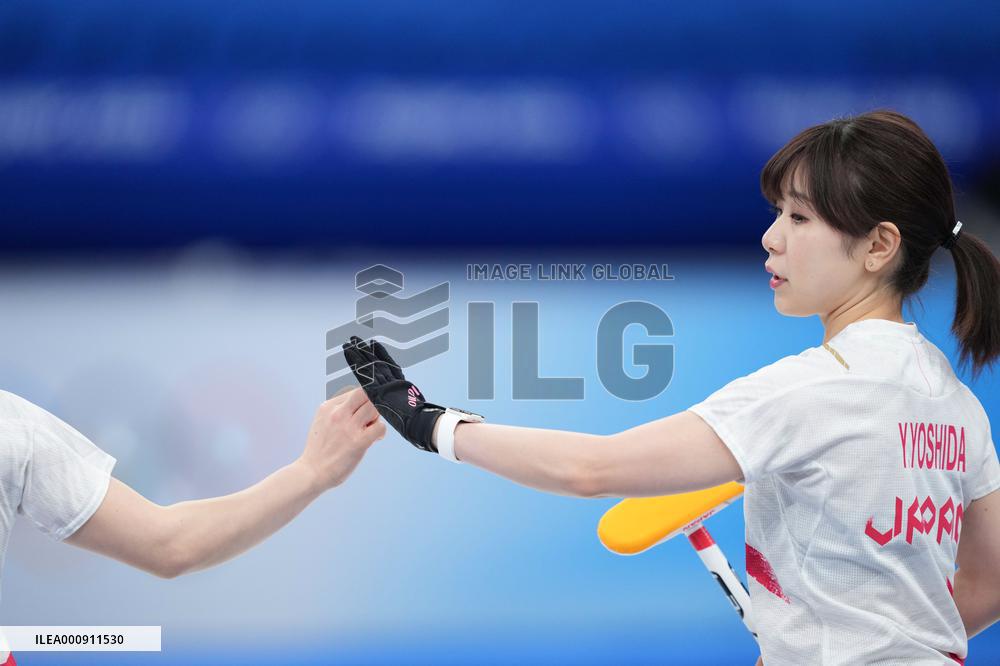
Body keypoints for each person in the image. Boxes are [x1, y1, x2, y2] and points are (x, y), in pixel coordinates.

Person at [343, 110, 1000, 665]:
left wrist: (431, 424)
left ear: (879, 246)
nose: (771, 238)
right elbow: (989, 585)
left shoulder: (807, 393)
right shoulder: (959, 407)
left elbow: (589, 469)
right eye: (778, 213)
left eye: (800, 219)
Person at [0, 386, 384, 665]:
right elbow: (169, 545)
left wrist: (313, 471)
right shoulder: (12, 430)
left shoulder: (14, 433)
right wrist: (312, 471)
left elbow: (170, 545)